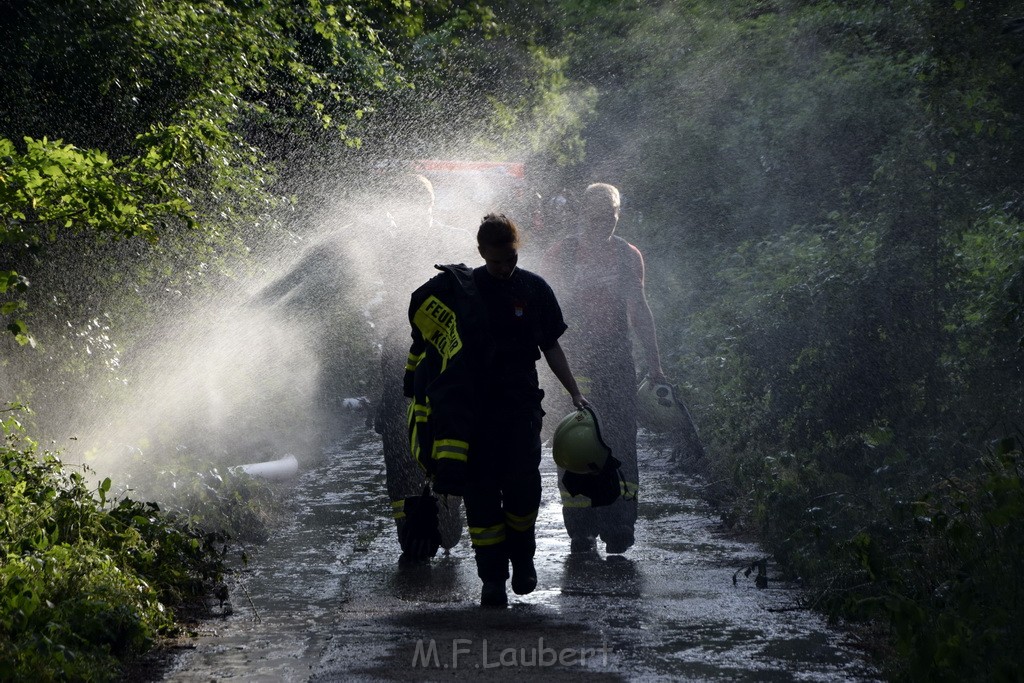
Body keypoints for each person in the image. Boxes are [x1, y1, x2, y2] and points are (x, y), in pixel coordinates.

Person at [404, 213, 588, 606]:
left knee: (524, 490)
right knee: (481, 496)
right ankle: (491, 579)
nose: (504, 269)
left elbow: (551, 346)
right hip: (474, 416)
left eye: (511, 259)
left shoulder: (534, 288)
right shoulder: (460, 294)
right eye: (496, 261)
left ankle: (522, 558)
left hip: (521, 409)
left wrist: (573, 392)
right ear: (480, 253)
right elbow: (429, 345)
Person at [541, 182, 666, 554]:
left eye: (609, 217)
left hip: (616, 357)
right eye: (595, 217)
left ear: (617, 215)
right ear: (582, 216)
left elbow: (639, 309)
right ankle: (581, 527)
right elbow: (546, 318)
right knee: (576, 440)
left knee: (621, 439)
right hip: (573, 360)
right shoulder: (561, 256)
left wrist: (655, 363)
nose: (603, 224)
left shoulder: (627, 256)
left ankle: (620, 523)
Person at [369, 173, 473, 563]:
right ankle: (411, 532)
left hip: (443, 355)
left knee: (445, 437)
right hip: (400, 352)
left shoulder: (453, 238)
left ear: (430, 204)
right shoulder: (389, 246)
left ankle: (447, 520)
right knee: (399, 442)